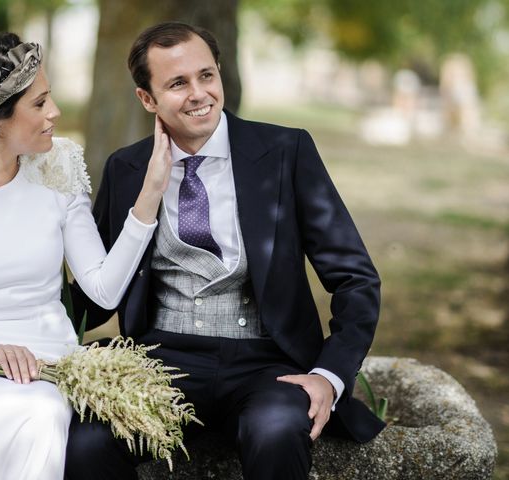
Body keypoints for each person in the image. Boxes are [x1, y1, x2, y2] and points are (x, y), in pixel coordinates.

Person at [66, 22, 385, 480]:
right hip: (158, 362)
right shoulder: (126, 168)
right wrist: (11, 328)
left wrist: (329, 376)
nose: (199, 94)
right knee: (86, 443)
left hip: (266, 363)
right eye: (178, 83)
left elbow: (355, 278)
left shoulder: (284, 150)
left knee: (275, 430)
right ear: (147, 99)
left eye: (206, 75)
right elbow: (99, 294)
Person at [0, 32, 170, 480]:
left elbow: (104, 287)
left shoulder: (59, 167)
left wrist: (150, 196)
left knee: (41, 412)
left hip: (46, 363)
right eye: (39, 104)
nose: (55, 113)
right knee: (5, 415)